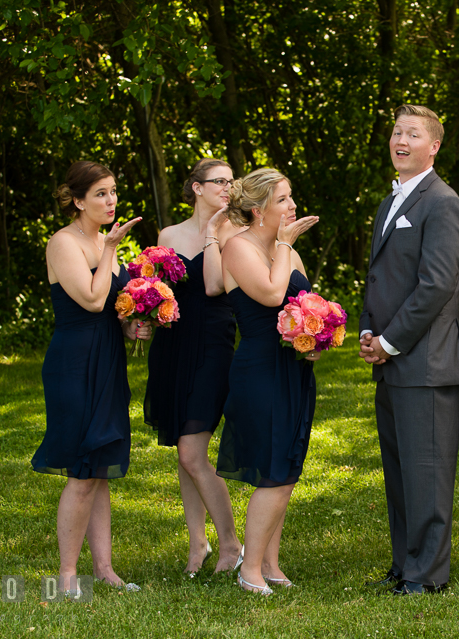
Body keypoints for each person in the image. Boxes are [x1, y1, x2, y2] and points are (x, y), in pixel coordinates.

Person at [359, 104, 459, 595]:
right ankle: (406, 564)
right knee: (401, 472)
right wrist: (369, 332)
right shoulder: (392, 201)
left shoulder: (442, 201)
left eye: (413, 133)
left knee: (426, 474)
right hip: (392, 358)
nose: (400, 139)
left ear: (434, 146)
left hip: (425, 360)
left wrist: (390, 340)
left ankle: (427, 576)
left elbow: (437, 285)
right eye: (396, 131)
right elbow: (382, 276)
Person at [32, 161, 151, 595]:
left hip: (107, 358)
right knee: (82, 471)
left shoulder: (105, 242)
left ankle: (105, 569)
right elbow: (91, 299)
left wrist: (133, 324)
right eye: (100, 193)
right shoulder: (63, 243)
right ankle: (66, 577)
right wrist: (112, 250)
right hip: (74, 363)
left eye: (113, 191)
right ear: (78, 200)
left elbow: (113, 312)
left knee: (99, 466)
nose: (111, 200)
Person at [216, 168, 320, 595]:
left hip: (294, 367)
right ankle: (249, 569)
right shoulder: (238, 248)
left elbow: (302, 303)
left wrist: (314, 337)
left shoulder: (287, 252)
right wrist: (284, 245)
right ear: (259, 211)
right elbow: (273, 295)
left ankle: (272, 564)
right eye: (283, 199)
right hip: (259, 368)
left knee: (288, 469)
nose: (292, 205)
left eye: (291, 196)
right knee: (273, 471)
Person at [143, 158, 244, 575]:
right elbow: (159, 289)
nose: (227, 187)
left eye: (231, 182)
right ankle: (196, 545)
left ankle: (232, 545)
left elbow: (214, 285)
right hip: (172, 344)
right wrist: (145, 312)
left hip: (213, 342)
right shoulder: (168, 234)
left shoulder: (235, 232)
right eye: (219, 181)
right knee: (184, 452)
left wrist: (212, 235)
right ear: (197, 187)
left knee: (192, 450)